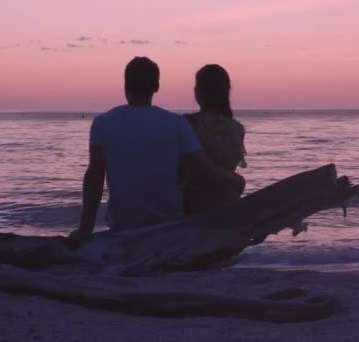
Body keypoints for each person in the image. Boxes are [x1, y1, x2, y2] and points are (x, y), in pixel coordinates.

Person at [66, 57, 244, 248]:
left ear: (125, 85)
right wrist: (234, 179)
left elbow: (94, 175)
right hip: (170, 225)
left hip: (123, 225)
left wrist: (85, 229)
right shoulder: (177, 124)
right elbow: (202, 169)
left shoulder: (102, 123)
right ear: (157, 86)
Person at [182, 64, 247, 214]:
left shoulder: (188, 124)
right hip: (228, 206)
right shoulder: (237, 129)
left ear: (199, 92)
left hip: (194, 208)